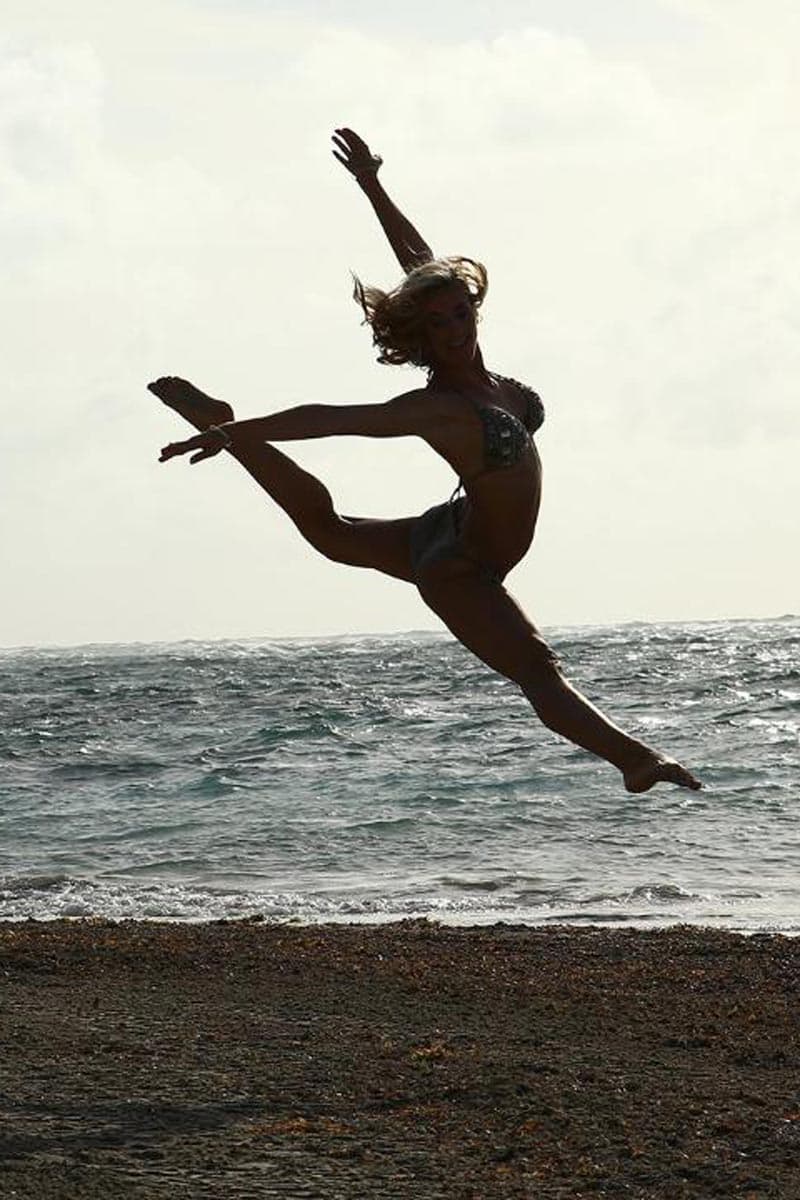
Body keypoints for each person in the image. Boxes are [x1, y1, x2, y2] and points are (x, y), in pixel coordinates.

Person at [149, 127, 701, 794]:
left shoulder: (495, 384)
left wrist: (373, 186)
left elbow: (422, 264)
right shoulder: (434, 407)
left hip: (449, 526)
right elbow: (330, 419)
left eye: (461, 312)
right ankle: (637, 761)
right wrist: (235, 435)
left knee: (333, 533)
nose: (456, 327)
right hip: (460, 565)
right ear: (422, 335)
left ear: (473, 308)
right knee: (535, 667)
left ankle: (226, 424)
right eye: (438, 322)